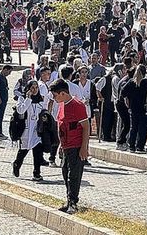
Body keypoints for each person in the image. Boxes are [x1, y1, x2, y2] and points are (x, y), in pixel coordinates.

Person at [49, 79, 89, 215]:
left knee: (74, 175)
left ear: (63, 93)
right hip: (66, 146)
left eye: (55, 95)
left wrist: (84, 147)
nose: (53, 98)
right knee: (65, 173)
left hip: (76, 146)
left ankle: (73, 203)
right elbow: (62, 127)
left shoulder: (78, 106)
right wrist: (61, 145)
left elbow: (86, 127)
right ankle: (68, 200)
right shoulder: (61, 105)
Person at [12, 80, 46, 181]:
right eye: (32, 88)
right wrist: (28, 99)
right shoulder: (22, 98)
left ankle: (37, 173)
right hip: (26, 130)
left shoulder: (40, 99)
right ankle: (17, 164)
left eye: (36, 88)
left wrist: (45, 118)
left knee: (37, 153)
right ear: (28, 88)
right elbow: (20, 110)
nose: (34, 90)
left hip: (36, 130)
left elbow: (43, 111)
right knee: (23, 151)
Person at [121, 65, 147, 153]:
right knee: (142, 128)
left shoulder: (131, 82)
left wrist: (127, 99)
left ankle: (132, 146)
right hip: (144, 108)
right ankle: (140, 146)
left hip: (133, 107)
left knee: (133, 127)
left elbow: (123, 92)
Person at [0, 65, 13, 140]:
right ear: (5, 69)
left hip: (3, 100)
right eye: (9, 71)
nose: (9, 73)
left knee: (0, 115)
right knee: (0, 116)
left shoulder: (4, 78)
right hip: (0, 100)